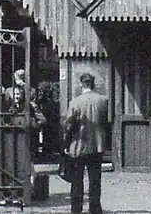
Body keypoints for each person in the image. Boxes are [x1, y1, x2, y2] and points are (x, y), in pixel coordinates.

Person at [64, 73, 108, 214]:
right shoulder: (103, 101)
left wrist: (66, 144)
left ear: (81, 85)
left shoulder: (74, 102)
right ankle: (95, 208)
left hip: (78, 145)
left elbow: (69, 125)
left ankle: (76, 209)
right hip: (97, 145)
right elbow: (107, 122)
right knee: (95, 179)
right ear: (93, 84)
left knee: (77, 179)